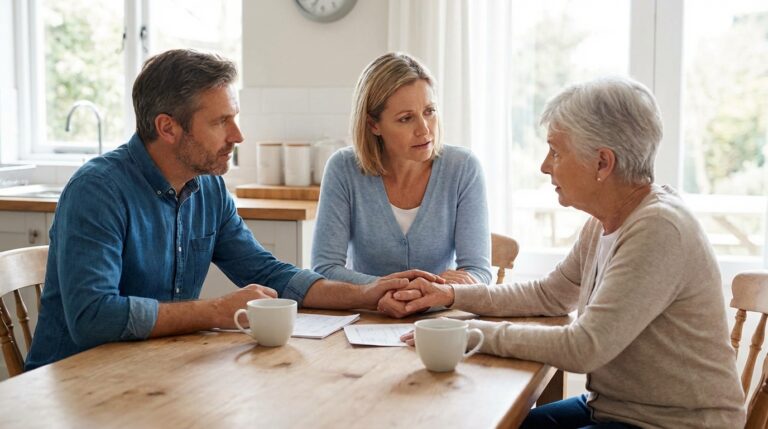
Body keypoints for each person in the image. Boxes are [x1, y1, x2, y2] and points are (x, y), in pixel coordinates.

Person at [25, 49, 437, 370]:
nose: (238, 135)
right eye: (221, 122)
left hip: (152, 369)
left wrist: (365, 293)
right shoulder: (98, 191)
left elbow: (271, 274)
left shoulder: (209, 189)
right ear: (168, 128)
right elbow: (93, 317)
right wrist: (217, 311)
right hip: (71, 385)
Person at [399, 77, 746, 427]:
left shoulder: (659, 230)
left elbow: (584, 347)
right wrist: (452, 294)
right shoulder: (606, 221)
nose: (545, 166)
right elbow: (550, 295)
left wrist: (468, 335)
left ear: (602, 163)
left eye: (556, 151)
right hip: (618, 408)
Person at [311, 52, 491, 317]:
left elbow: (478, 272)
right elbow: (323, 269)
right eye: (406, 118)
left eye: (429, 112)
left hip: (439, 322)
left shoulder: (463, 167)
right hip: (366, 321)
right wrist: (380, 292)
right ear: (373, 125)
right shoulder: (344, 168)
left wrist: (424, 295)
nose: (424, 129)